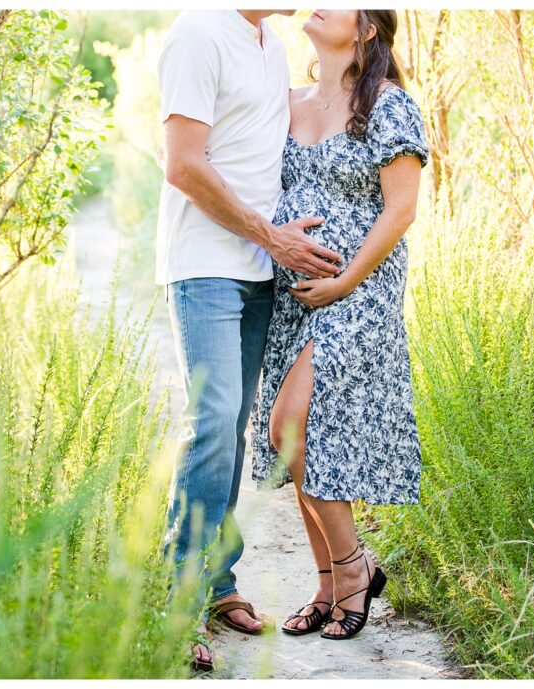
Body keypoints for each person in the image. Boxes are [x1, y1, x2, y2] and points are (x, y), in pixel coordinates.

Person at [155, 9, 344, 671]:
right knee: (209, 423)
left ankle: (214, 583)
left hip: (262, 270)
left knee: (232, 427)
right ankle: (173, 606)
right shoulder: (197, 33)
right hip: (205, 263)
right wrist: (273, 235)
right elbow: (182, 164)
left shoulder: (269, 44)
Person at [250, 9, 428, 641]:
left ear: (367, 29)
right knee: (308, 446)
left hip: (359, 293)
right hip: (295, 296)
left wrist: (345, 280)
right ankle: (328, 587)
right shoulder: (289, 102)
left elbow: (402, 209)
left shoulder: (386, 103)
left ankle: (354, 568)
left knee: (288, 428)